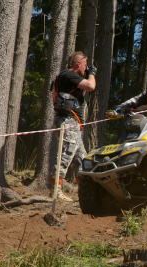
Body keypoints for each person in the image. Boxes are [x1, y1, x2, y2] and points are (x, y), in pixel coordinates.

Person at [51, 51, 97, 202]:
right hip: (68, 121)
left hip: (71, 121)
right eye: (85, 65)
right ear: (78, 64)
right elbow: (91, 86)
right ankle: (56, 191)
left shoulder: (68, 78)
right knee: (66, 153)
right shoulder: (68, 74)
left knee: (82, 160)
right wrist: (92, 75)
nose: (86, 68)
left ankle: (85, 194)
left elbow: (79, 96)